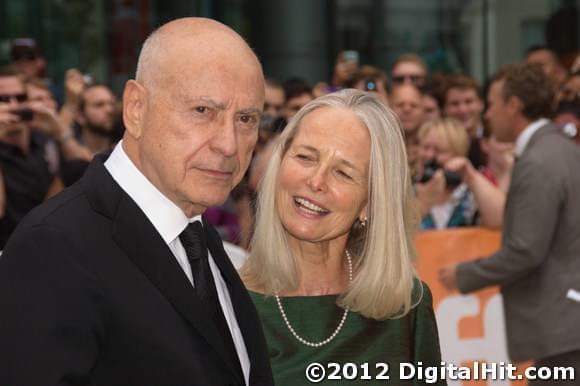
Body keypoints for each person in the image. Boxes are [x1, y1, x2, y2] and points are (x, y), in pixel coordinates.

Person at [0, 17, 274, 386]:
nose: (229, 144)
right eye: (203, 111)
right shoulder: (52, 247)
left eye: (245, 118)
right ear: (135, 109)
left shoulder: (196, 234)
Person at [241, 89, 443, 385]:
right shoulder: (228, 305)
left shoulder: (405, 305)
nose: (316, 181)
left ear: (370, 203)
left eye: (343, 173)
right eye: (306, 157)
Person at [439, 63, 580, 378]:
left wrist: (464, 275)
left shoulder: (538, 160)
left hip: (563, 332)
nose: (487, 114)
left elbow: (526, 249)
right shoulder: (562, 149)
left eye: (492, 103)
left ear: (514, 105)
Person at [414, 118, 505, 230]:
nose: (429, 156)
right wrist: (422, 204)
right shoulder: (406, 189)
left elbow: (500, 220)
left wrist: (472, 177)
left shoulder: (472, 192)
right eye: (425, 148)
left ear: (458, 154)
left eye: (439, 151)